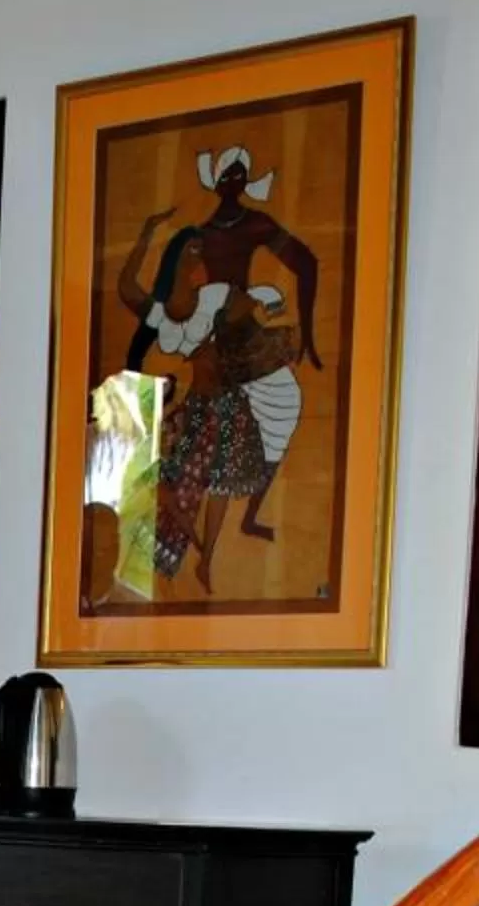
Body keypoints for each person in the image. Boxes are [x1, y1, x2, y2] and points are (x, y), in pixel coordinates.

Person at [108, 146, 322, 592]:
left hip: (224, 400)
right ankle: (193, 549)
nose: (200, 258)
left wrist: (270, 305)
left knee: (221, 481)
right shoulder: (165, 315)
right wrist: (146, 233)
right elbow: (126, 287)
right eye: (192, 252)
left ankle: (208, 556)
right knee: (166, 485)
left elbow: (255, 302)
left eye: (201, 252)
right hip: (199, 404)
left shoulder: (216, 295)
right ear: (178, 260)